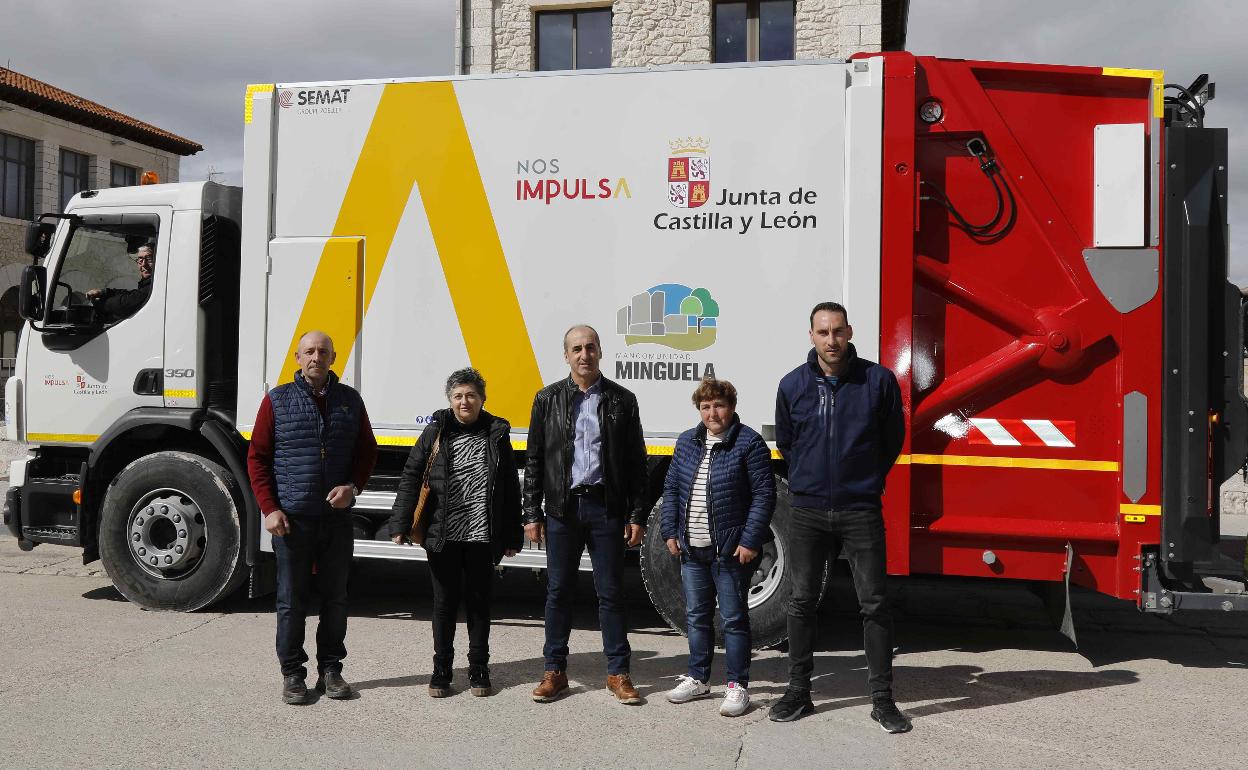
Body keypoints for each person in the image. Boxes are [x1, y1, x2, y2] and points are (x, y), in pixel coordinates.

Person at [768, 302, 911, 733]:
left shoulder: (877, 382)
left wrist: (863, 480)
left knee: (875, 605)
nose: (831, 340)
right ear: (810, 335)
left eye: (838, 331)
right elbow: (789, 444)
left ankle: (883, 700)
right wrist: (811, 481)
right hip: (808, 510)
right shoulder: (792, 385)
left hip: (859, 508)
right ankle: (799, 692)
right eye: (822, 332)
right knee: (801, 601)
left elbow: (891, 440)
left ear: (850, 332)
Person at [247, 330, 378, 705]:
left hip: (336, 520)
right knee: (291, 601)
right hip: (292, 520)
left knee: (336, 598)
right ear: (298, 358)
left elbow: (367, 452)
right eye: (309, 351)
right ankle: (292, 675)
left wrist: (353, 486)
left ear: (333, 359)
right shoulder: (277, 401)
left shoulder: (350, 401)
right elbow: (257, 458)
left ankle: (331, 670)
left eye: (323, 351)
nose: (316, 357)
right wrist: (269, 509)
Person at [524, 324, 648, 704]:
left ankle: (618, 673)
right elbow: (533, 460)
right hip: (562, 509)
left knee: (610, 593)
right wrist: (532, 512)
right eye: (576, 349)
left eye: (590, 347)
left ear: (599, 352)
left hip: (605, 508)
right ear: (566, 356)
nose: (584, 354)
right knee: (558, 592)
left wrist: (637, 514)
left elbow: (636, 464)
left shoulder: (622, 400)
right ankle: (554, 671)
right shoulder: (547, 399)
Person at [387, 367, 523, 698]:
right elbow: (411, 475)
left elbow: (508, 488)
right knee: (444, 604)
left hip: (481, 535)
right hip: (442, 535)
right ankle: (442, 670)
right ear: (450, 400)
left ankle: (479, 669)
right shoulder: (436, 432)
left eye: (471, 395)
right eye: (458, 396)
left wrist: (512, 535)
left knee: (479, 604)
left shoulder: (497, 434)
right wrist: (400, 524)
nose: (465, 401)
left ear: (482, 399)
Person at [661, 377, 775, 717]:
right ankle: (698, 678)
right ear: (699, 409)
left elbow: (764, 495)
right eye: (706, 406)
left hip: (729, 551)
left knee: (734, 619)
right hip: (692, 549)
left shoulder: (749, 444)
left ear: (732, 407)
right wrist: (670, 530)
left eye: (719, 405)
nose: (713, 413)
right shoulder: (686, 442)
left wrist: (750, 539)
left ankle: (737, 685)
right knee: (696, 616)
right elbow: (671, 489)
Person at [87, 242, 154, 322]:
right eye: (140, 260)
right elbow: (134, 294)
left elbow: (126, 304)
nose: (143, 264)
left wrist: (100, 303)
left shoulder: (156, 285)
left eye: (149, 259)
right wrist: (105, 292)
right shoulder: (147, 283)